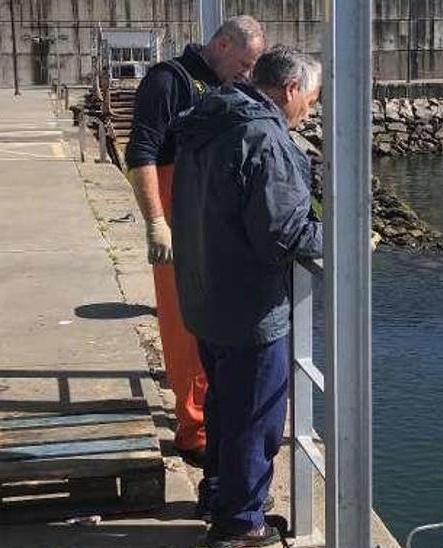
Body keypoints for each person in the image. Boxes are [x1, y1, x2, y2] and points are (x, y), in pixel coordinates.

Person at [169, 47, 323, 547]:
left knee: (223, 405)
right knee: (256, 416)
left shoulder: (207, 118)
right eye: (311, 100)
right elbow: (284, 234)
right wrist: (342, 238)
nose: (310, 112)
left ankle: (220, 492)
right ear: (291, 89)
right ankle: (241, 524)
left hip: (204, 293)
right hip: (248, 305)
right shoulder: (265, 138)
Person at [124, 16, 265, 464]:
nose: (246, 72)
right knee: (186, 326)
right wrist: (155, 222)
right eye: (243, 62)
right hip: (178, 217)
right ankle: (193, 428)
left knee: (211, 325)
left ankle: (208, 416)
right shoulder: (169, 83)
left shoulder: (225, 85)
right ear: (221, 44)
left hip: (210, 220)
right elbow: (141, 152)